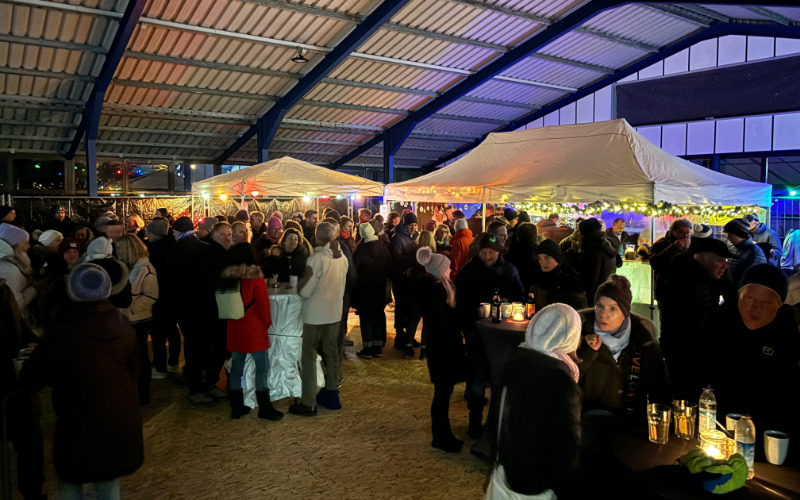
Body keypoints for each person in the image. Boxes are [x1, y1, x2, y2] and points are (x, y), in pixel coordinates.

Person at [20, 263, 143, 499]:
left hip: (78, 416)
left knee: (71, 479)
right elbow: (133, 371)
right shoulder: (121, 324)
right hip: (119, 412)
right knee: (108, 476)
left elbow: (34, 376)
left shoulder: (64, 328)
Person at [699, 265, 800, 435]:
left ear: (779, 304)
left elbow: (788, 391)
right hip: (716, 425)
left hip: (768, 431)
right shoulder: (717, 323)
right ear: (739, 295)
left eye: (765, 302)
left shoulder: (787, 334)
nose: (755, 307)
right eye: (749, 298)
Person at [497, 304, 582, 498]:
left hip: (513, 470)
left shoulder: (516, 363)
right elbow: (568, 446)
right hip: (543, 482)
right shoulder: (559, 380)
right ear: (569, 336)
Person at [455, 233, 524, 438]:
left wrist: (508, 306)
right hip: (477, 334)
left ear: (498, 252)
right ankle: (474, 422)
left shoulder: (509, 270)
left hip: (503, 335)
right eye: (484, 252)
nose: (487, 256)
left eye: (491, 252)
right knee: (477, 379)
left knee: (498, 381)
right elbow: (460, 300)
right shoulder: (469, 271)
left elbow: (520, 296)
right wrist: (470, 320)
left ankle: (495, 423)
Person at [577, 275, 672, 420]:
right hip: (587, 422)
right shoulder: (577, 334)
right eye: (600, 306)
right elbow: (566, 381)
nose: (604, 314)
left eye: (613, 309)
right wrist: (587, 352)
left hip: (631, 425)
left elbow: (660, 390)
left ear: (625, 313)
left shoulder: (643, 341)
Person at [658, 237, 737, 398]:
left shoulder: (710, 274)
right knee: (685, 391)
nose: (725, 265)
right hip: (684, 347)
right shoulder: (683, 276)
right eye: (720, 260)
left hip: (699, 346)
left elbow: (732, 300)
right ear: (702, 257)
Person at [290, 222, 348, 416]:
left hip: (314, 315)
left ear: (317, 237)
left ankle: (308, 402)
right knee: (331, 353)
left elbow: (305, 291)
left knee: (309, 356)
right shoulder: (342, 258)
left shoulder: (316, 259)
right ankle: (332, 393)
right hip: (334, 313)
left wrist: (299, 287)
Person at [221, 243, 283, 421]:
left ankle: (237, 406)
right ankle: (264, 406)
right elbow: (263, 305)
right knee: (261, 368)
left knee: (236, 368)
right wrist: (267, 324)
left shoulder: (226, 277)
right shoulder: (255, 277)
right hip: (254, 327)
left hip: (234, 327)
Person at [414, 246, 466, 452]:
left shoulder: (439, 290)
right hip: (442, 349)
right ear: (438, 271)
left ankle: (443, 433)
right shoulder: (436, 294)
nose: (451, 269)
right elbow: (444, 323)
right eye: (447, 267)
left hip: (443, 347)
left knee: (444, 392)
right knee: (442, 393)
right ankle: (441, 436)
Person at [165, 216, 221, 407]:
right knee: (208, 345)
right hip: (207, 306)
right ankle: (210, 382)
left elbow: (169, 283)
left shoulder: (172, 251)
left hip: (185, 308)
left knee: (192, 347)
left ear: (177, 232)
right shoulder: (206, 249)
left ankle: (195, 389)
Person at [116, 234, 159, 406]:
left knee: (140, 357)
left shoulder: (145, 268)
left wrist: (130, 307)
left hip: (138, 319)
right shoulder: (133, 267)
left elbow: (150, 296)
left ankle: (143, 394)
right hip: (131, 318)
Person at [145, 219, 181, 377]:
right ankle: (173, 363)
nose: (147, 235)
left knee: (158, 332)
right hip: (173, 295)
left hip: (157, 296)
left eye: (150, 232)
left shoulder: (150, 250)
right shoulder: (175, 246)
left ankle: (160, 367)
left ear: (156, 233)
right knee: (172, 331)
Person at [352, 222, 392, 358]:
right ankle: (378, 346)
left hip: (364, 289)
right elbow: (390, 266)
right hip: (379, 288)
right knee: (378, 315)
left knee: (366, 318)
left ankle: (368, 348)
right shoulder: (383, 247)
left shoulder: (361, 250)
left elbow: (354, 269)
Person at [563, 218, 617, 306]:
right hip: (605, 294)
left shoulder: (592, 249)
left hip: (593, 298)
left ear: (584, 232)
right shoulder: (607, 245)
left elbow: (590, 279)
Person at [390, 212, 422, 354]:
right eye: (410, 225)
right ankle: (399, 335)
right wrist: (411, 261)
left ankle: (408, 336)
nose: (413, 228)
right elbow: (396, 258)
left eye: (415, 225)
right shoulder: (397, 238)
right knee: (401, 307)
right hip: (400, 278)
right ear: (404, 224)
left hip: (410, 280)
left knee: (409, 308)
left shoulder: (413, 236)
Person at [530, 239, 587, 311]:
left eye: (546, 258)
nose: (543, 263)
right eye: (540, 258)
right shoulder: (538, 277)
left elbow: (580, 312)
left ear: (556, 257)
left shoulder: (570, 280)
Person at [0, 223, 37, 312]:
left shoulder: (8, 264)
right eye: (25, 243)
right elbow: (16, 305)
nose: (28, 247)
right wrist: (33, 290)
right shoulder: (8, 270)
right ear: (14, 245)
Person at [724, 218, 766, 284]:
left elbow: (756, 278)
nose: (728, 237)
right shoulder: (733, 249)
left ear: (739, 234)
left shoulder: (754, 252)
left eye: (731, 235)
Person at [505, 222, 537, 290]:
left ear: (518, 235)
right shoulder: (537, 249)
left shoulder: (511, 249)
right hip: (532, 286)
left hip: (514, 285)